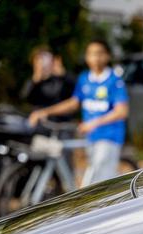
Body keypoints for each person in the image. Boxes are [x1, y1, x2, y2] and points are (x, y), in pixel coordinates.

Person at [28, 39, 129, 186]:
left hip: (109, 137)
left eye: (99, 53)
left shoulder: (114, 81)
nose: (95, 58)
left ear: (107, 56)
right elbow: (73, 103)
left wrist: (93, 123)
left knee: (100, 184)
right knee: (92, 180)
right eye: (91, 54)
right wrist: (45, 112)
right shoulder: (84, 78)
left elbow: (122, 111)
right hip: (90, 137)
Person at [21, 46, 76, 121]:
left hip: (60, 121)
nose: (43, 64)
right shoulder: (34, 82)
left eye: (46, 59)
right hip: (39, 122)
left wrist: (63, 74)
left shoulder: (62, 79)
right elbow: (24, 98)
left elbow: (77, 93)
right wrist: (36, 79)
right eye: (38, 60)